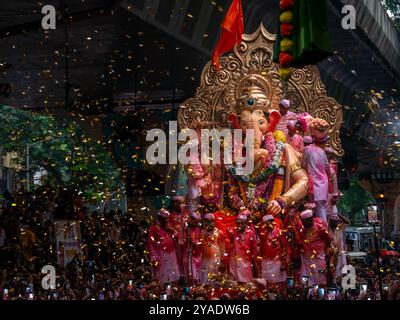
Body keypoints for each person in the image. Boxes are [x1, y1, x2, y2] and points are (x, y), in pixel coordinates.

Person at [301, 119, 331, 223]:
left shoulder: (306, 149)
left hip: (315, 181)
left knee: (318, 208)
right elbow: (328, 167)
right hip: (324, 181)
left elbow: (303, 164)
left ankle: (322, 229)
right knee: (321, 207)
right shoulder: (321, 151)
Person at [299, 209, 333, 287]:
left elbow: (328, 240)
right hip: (306, 259)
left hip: (319, 257)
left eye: (308, 220)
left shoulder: (320, 228)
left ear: (311, 219)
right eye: (304, 221)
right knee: (305, 280)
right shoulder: (302, 230)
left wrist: (326, 251)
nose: (306, 223)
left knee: (321, 278)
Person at [147, 209, 180, 284]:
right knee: (163, 278)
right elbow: (150, 243)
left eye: (167, 220)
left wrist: (171, 230)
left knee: (174, 276)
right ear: (159, 218)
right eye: (164, 219)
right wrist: (154, 257)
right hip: (160, 256)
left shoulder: (169, 226)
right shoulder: (153, 228)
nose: (166, 221)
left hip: (171, 255)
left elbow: (177, 236)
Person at [228, 213, 259, 283]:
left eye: (242, 223)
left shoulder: (251, 233)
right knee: (235, 283)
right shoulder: (234, 233)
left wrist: (255, 262)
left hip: (246, 261)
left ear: (245, 223)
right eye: (238, 223)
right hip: (235, 262)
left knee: (246, 282)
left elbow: (254, 248)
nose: (240, 225)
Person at [259, 215, 287, 285]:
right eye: (265, 224)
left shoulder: (279, 232)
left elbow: (285, 246)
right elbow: (261, 247)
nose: (266, 226)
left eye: (268, 223)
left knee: (278, 281)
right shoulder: (263, 234)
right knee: (266, 281)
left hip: (277, 261)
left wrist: (284, 261)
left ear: (272, 222)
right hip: (266, 261)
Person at [199, 213, 226, 284]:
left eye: (211, 221)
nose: (209, 223)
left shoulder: (219, 233)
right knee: (204, 280)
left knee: (215, 281)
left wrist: (222, 262)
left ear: (214, 222)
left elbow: (223, 249)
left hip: (216, 262)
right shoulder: (201, 232)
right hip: (204, 262)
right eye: (207, 221)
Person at [325, 147, 340, 219]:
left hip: (328, 190)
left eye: (329, 154)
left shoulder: (332, 166)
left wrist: (335, 195)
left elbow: (334, 180)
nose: (328, 155)